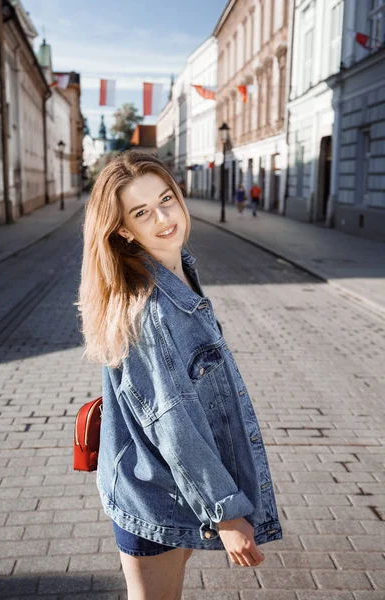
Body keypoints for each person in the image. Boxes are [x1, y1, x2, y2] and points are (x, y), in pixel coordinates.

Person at [78, 151, 282, 600]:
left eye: (166, 199)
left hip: (174, 489)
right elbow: (171, 422)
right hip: (156, 494)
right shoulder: (150, 307)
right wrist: (226, 513)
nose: (164, 218)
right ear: (123, 230)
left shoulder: (178, 268)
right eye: (142, 212)